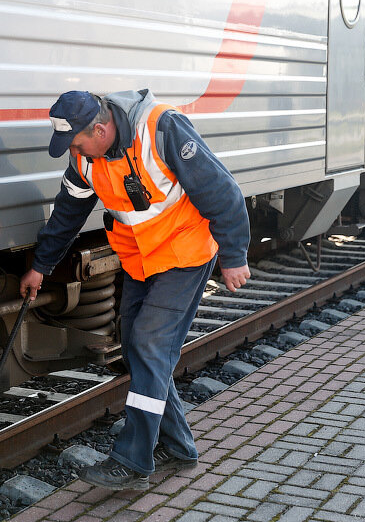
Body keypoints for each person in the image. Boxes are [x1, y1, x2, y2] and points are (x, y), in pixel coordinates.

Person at [20, 89, 250, 490]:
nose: (76, 153)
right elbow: (67, 213)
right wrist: (41, 266)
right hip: (142, 259)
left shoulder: (161, 128)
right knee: (137, 346)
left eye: (77, 142)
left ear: (102, 128)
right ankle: (177, 445)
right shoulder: (85, 159)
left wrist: (234, 254)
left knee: (148, 343)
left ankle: (133, 458)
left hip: (186, 251)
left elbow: (221, 189)